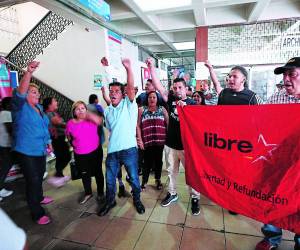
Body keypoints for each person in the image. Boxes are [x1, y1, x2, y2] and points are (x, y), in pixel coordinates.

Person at [255, 57, 300, 250]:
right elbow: (261, 124)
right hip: (279, 163)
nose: (286, 79)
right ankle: (271, 238)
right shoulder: (277, 97)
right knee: (271, 199)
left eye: (292, 74)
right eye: (284, 75)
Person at [146, 58, 201, 216]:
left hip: (186, 147)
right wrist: (152, 69)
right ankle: (172, 193)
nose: (177, 90)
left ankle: (195, 197)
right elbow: (158, 86)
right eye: (175, 87)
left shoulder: (192, 104)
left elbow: (197, 125)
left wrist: (188, 110)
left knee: (191, 174)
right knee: (171, 172)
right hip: (170, 144)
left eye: (180, 87)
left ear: (185, 89)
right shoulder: (170, 99)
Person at [98, 58, 145, 216]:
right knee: (110, 179)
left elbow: (130, 88)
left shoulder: (129, 105)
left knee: (133, 178)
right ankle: (110, 201)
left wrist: (128, 68)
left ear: (123, 94)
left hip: (129, 150)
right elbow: (110, 129)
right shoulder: (107, 111)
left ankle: (137, 199)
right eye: (111, 92)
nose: (112, 94)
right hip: (112, 151)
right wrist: (106, 69)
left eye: (116, 91)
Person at [12, 61, 53, 225]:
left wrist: (48, 142)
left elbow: (44, 127)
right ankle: (37, 212)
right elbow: (20, 93)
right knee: (33, 180)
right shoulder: (19, 107)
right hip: (26, 151)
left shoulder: (40, 109)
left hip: (40, 150)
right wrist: (28, 73)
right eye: (33, 92)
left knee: (40, 176)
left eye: (38, 93)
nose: (37, 95)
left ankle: (40, 197)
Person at [65, 101, 104, 204]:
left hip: (95, 151)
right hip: (80, 154)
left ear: (86, 110)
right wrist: (74, 145)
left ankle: (100, 193)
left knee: (98, 172)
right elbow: (68, 137)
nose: (81, 110)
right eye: (78, 109)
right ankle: (88, 193)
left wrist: (89, 114)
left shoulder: (91, 120)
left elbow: (100, 121)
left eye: (83, 108)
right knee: (85, 174)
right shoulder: (70, 123)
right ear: (74, 112)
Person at [137, 91, 169, 190]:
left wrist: (168, 139)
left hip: (160, 141)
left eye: (154, 97)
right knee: (147, 162)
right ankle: (144, 181)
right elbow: (137, 126)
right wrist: (140, 140)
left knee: (158, 162)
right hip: (147, 141)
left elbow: (168, 124)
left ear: (157, 99)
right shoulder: (142, 110)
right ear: (147, 99)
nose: (152, 99)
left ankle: (158, 179)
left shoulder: (162, 109)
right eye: (150, 97)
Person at [43, 97, 71, 187]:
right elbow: (59, 123)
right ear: (49, 104)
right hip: (56, 139)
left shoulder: (53, 113)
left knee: (61, 157)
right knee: (66, 156)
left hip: (59, 138)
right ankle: (58, 175)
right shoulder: (49, 114)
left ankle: (59, 176)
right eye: (55, 101)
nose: (57, 102)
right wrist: (74, 125)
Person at [0, 97, 14, 200]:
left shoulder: (3, 113)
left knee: (5, 166)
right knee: (5, 167)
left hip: (5, 145)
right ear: (8, 105)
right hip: (6, 145)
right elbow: (10, 129)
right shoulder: (6, 113)